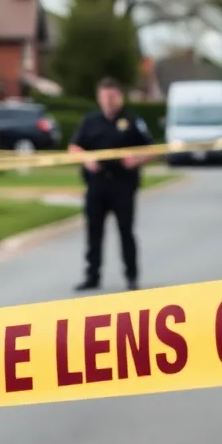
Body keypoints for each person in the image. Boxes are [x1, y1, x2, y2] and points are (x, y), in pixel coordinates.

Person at [68, 77, 155, 291]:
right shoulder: (91, 121)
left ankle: (131, 276)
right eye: (104, 97)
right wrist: (86, 159)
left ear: (119, 97)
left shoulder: (132, 121)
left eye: (112, 97)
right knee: (93, 232)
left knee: (126, 231)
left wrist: (136, 160)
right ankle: (92, 276)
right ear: (99, 98)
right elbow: (74, 147)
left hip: (122, 184)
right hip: (96, 184)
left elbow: (152, 149)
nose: (108, 101)